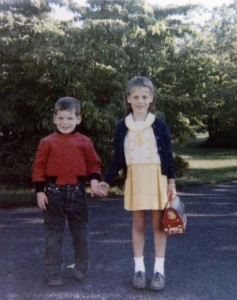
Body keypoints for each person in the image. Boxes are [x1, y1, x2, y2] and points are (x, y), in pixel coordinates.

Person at [98, 76, 176, 291]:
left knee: (159, 225)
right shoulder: (123, 126)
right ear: (128, 99)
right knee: (139, 225)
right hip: (136, 179)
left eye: (144, 96)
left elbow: (168, 155)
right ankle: (139, 270)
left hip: (157, 178)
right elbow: (117, 158)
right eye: (136, 97)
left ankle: (159, 270)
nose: (140, 100)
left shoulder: (159, 124)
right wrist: (106, 181)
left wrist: (171, 181)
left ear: (151, 99)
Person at [32, 96, 102, 286]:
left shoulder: (85, 141)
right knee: (53, 234)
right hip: (53, 193)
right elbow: (39, 168)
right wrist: (40, 191)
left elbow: (93, 165)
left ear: (78, 119)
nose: (65, 122)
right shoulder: (47, 142)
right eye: (61, 118)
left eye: (70, 118)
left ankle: (81, 267)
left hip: (78, 193)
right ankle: (53, 272)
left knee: (80, 231)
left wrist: (94, 181)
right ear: (54, 119)